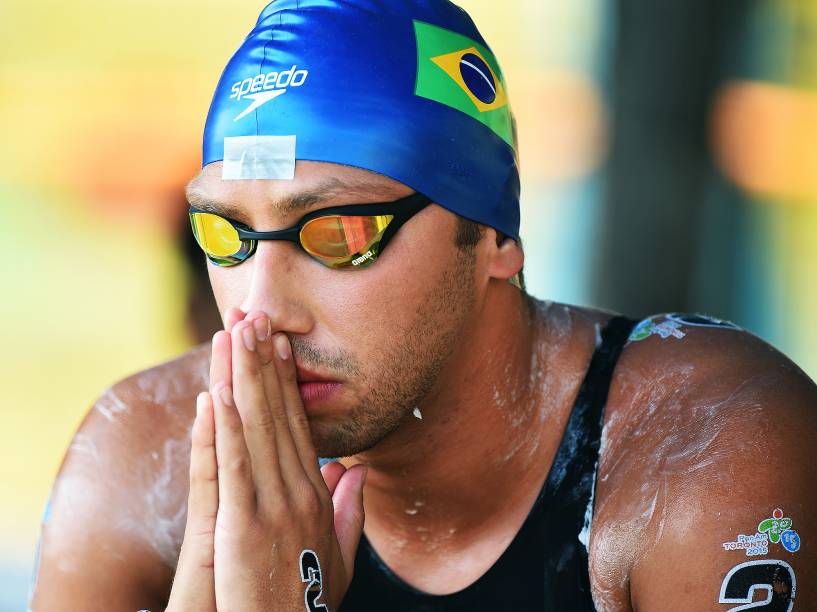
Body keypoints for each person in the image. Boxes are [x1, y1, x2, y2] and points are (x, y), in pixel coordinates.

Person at [30, 1, 816, 610]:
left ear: (492, 239)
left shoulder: (703, 455)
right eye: (226, 233)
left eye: (339, 234)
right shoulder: (140, 474)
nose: (260, 312)